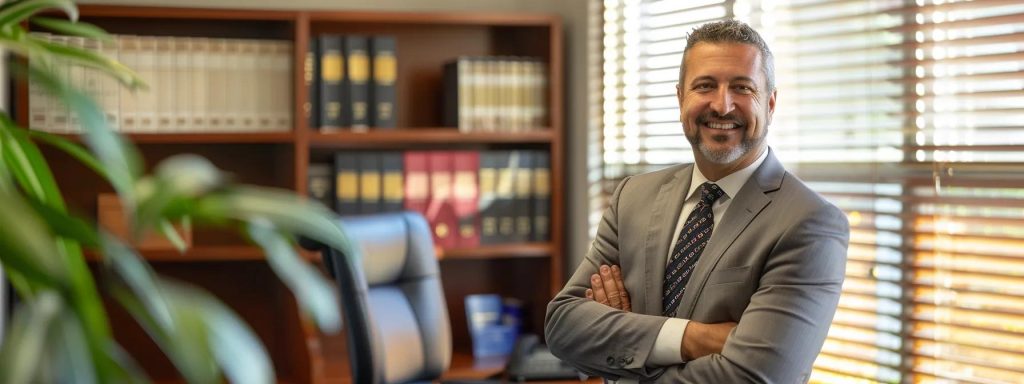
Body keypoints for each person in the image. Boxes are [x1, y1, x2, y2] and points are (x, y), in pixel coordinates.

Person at [545, 20, 848, 383]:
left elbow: (756, 376)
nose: (722, 105)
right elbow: (563, 326)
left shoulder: (809, 222)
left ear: (770, 103)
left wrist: (624, 348)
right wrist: (694, 338)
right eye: (705, 86)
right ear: (680, 98)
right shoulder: (632, 197)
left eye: (742, 87)